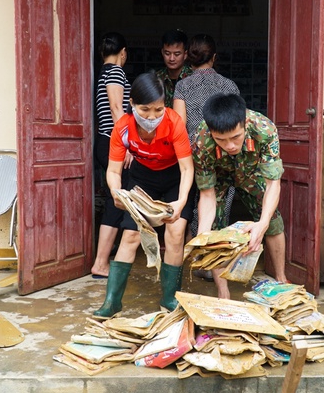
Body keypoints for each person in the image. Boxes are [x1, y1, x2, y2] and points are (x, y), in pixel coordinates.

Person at [94, 71, 195, 317]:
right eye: (145, 109)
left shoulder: (174, 123)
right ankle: (112, 302)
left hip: (174, 179)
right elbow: (114, 170)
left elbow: (186, 167)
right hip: (142, 180)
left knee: (175, 232)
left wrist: (181, 201)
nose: (152, 116)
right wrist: (117, 193)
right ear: (132, 105)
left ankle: (170, 298)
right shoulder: (123, 127)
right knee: (130, 235)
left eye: (158, 110)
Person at [192, 93, 289, 299]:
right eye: (221, 140)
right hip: (219, 176)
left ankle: (281, 279)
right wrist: (203, 235)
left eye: (236, 137)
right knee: (214, 230)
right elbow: (207, 194)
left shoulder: (265, 129)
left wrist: (261, 224)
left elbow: (273, 184)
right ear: (211, 132)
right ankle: (223, 293)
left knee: (272, 220)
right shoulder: (201, 139)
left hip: (252, 173)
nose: (230, 146)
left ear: (244, 123)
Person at [172, 34, 239, 281]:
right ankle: (218, 262)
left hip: (194, 153)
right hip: (225, 151)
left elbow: (178, 125)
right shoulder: (229, 85)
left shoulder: (183, 85)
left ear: (189, 59)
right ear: (214, 58)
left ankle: (200, 258)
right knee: (221, 204)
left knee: (196, 202)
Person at [91, 32, 132, 279]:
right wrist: (126, 145)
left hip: (105, 142)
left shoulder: (102, 73)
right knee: (117, 202)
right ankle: (101, 263)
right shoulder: (116, 72)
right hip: (114, 142)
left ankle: (102, 261)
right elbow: (117, 109)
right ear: (123, 52)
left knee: (114, 200)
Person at [156, 29, 192, 108]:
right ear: (162, 52)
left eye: (177, 54)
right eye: (167, 53)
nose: (171, 58)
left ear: (185, 54)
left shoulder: (193, 78)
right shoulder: (156, 78)